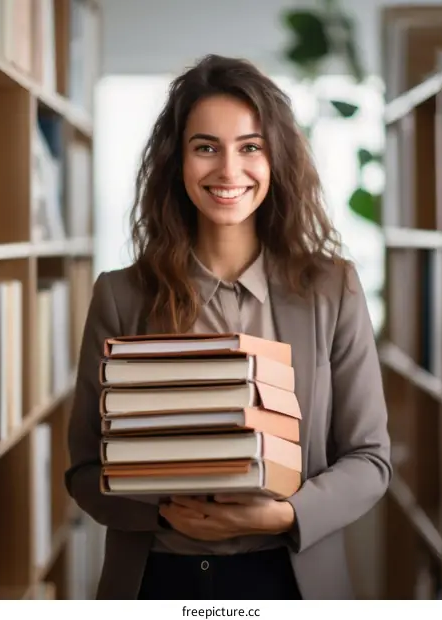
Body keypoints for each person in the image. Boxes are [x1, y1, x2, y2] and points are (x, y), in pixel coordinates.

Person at [65, 53, 392, 600]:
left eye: (250, 147)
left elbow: (369, 460)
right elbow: (84, 470)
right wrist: (167, 511)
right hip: (157, 580)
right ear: (177, 162)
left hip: (290, 578)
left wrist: (282, 515)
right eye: (205, 147)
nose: (228, 170)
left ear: (275, 159)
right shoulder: (120, 294)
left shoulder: (333, 289)